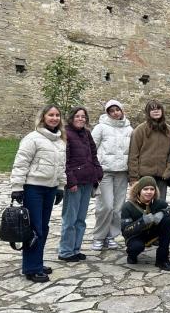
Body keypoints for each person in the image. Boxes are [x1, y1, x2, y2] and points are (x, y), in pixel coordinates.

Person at [10, 105, 67, 282]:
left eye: (57, 115)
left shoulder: (60, 141)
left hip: (50, 189)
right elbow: (21, 163)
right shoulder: (32, 138)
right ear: (43, 117)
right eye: (51, 115)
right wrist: (17, 187)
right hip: (34, 188)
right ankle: (31, 268)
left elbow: (61, 167)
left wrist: (60, 187)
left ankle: (37, 262)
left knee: (43, 227)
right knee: (34, 228)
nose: (54, 118)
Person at [58, 106, 103, 263]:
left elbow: (93, 154)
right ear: (72, 118)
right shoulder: (66, 134)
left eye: (83, 117)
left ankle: (76, 249)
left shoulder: (87, 134)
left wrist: (97, 171)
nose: (80, 119)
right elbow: (64, 160)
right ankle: (66, 251)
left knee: (81, 219)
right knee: (70, 219)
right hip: (74, 183)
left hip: (87, 181)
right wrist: (71, 181)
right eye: (77, 116)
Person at [91, 99, 132, 251]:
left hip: (122, 172)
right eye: (112, 111)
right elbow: (91, 148)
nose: (115, 113)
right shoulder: (101, 128)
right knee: (106, 206)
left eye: (117, 110)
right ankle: (99, 236)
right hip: (105, 172)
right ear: (107, 113)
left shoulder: (129, 129)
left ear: (122, 111)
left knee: (117, 207)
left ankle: (111, 236)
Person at [121, 176, 170, 271]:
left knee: (168, 221)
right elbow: (125, 231)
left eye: (152, 189)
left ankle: (162, 259)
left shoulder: (158, 203)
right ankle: (131, 255)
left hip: (152, 234)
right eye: (145, 189)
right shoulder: (128, 206)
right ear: (139, 190)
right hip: (136, 236)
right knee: (136, 247)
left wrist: (162, 213)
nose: (149, 192)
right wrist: (142, 222)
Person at [128, 100, 170, 202]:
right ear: (148, 112)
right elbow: (133, 155)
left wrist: (168, 171)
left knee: (160, 204)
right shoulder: (140, 130)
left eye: (158, 109)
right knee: (143, 204)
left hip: (162, 176)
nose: (156, 111)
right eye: (152, 109)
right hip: (144, 175)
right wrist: (133, 178)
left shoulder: (169, 131)